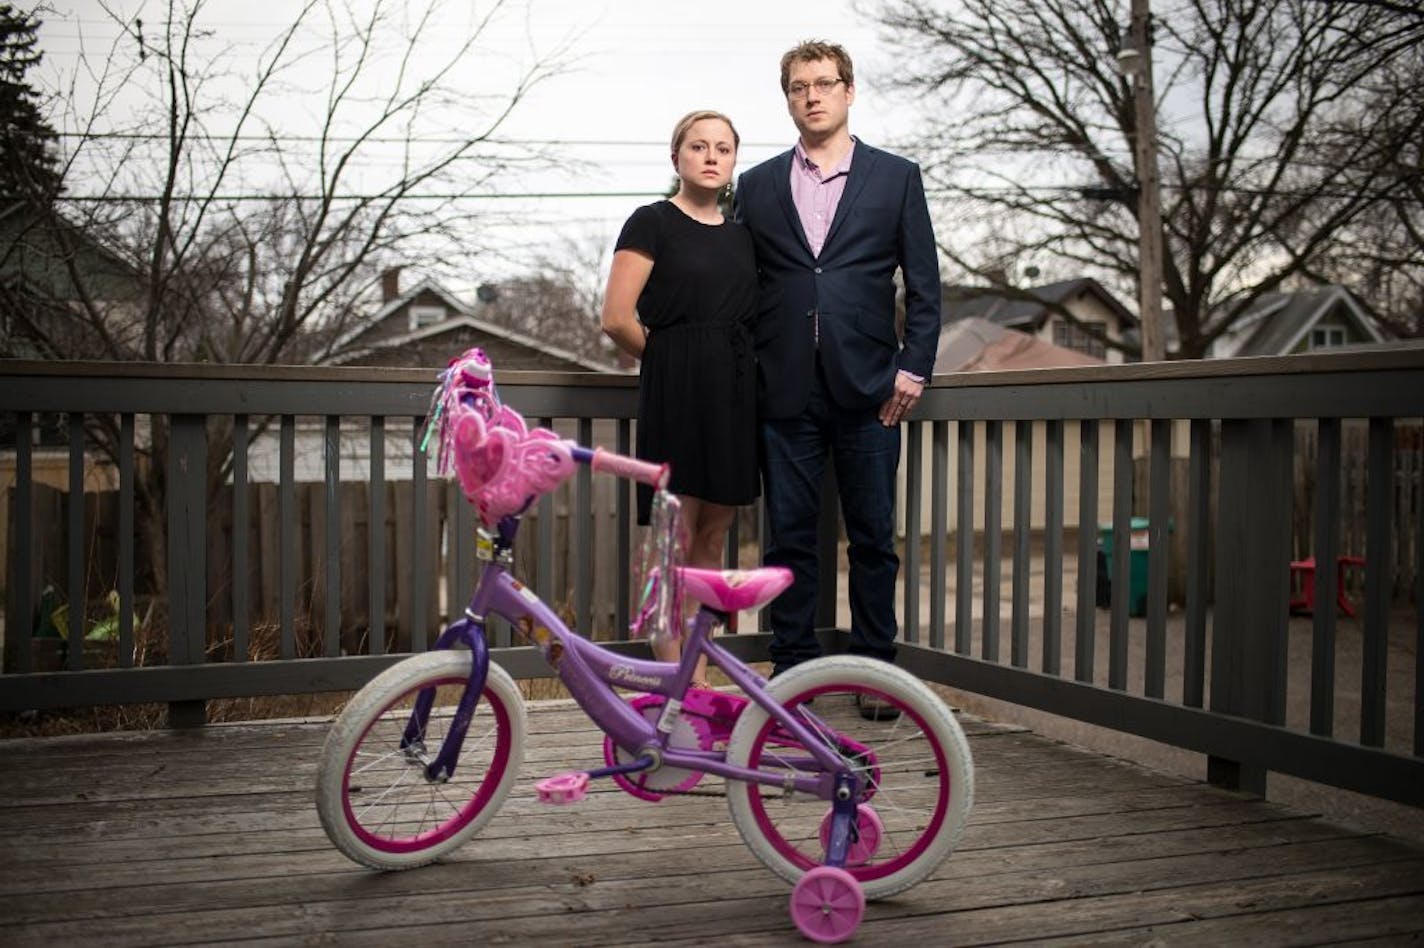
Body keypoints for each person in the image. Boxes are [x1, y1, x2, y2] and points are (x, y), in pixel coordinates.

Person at [734, 40, 940, 714]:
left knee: (874, 537)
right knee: (788, 538)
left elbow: (927, 287)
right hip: (785, 388)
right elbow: (743, 288)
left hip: (874, 389)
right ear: (788, 98)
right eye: (799, 86)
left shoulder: (897, 177)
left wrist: (914, 366)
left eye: (824, 83)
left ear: (849, 92)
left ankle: (878, 675)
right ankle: (792, 673)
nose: (812, 95)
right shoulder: (758, 185)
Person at [601, 110, 758, 683]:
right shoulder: (652, 222)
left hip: (737, 396)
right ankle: (678, 688)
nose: (711, 156)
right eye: (698, 146)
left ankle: (699, 671)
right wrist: (671, 362)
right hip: (678, 393)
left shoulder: (745, 234)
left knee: (715, 536)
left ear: (734, 160)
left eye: (723, 147)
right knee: (675, 538)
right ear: (677, 159)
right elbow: (617, 318)